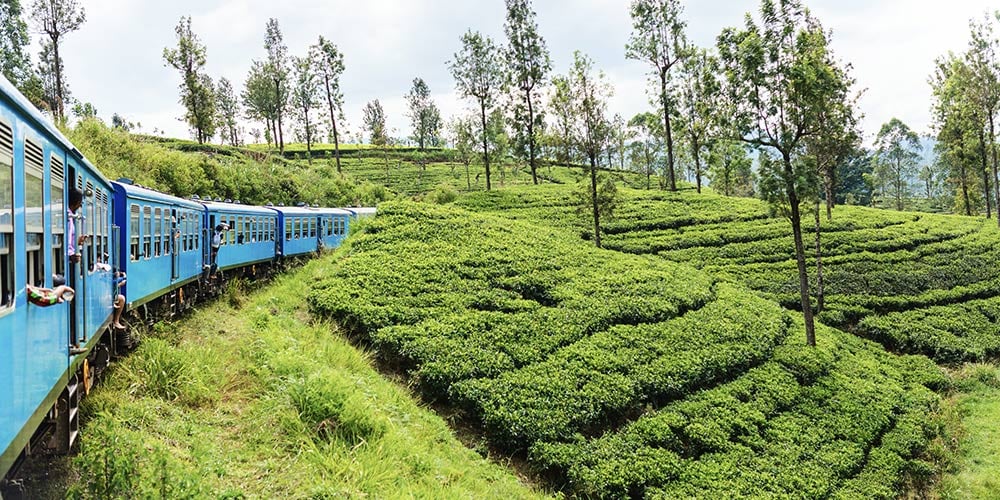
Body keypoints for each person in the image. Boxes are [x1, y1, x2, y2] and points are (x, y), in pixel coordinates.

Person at [67, 189, 84, 264]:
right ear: (77, 202)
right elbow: (67, 240)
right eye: (80, 203)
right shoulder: (68, 215)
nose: (80, 205)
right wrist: (70, 254)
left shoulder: (70, 215)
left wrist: (78, 242)